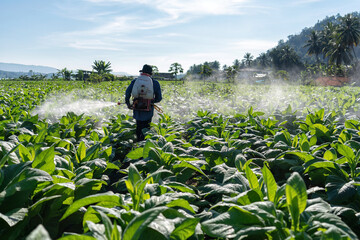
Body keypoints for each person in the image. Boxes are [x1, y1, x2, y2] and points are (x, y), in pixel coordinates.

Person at [125, 64, 162, 141]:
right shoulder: (155, 83)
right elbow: (159, 98)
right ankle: (144, 143)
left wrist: (128, 103)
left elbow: (128, 92)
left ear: (142, 71)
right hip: (148, 110)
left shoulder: (135, 81)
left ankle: (138, 140)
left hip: (137, 108)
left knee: (138, 125)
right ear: (150, 73)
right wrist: (151, 101)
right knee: (146, 127)